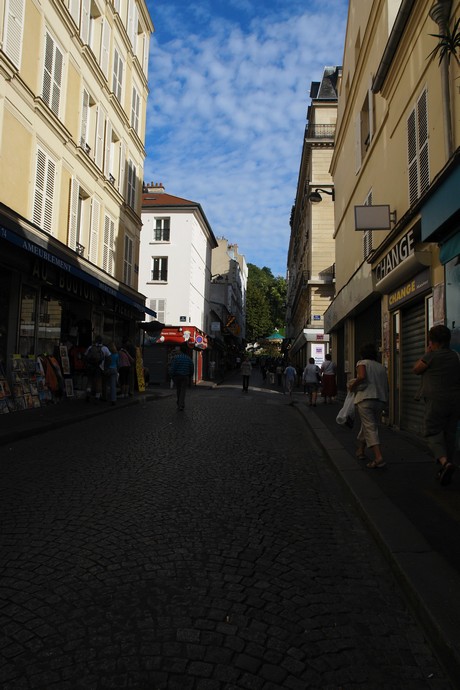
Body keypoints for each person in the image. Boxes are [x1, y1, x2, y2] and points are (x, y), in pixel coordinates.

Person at [413, 325, 460, 486]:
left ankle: (445, 462)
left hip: (436, 401)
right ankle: (446, 467)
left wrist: (428, 352)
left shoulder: (432, 356)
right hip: (455, 401)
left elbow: (416, 369)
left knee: (432, 432)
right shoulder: (456, 356)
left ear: (431, 341)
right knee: (449, 435)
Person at [348, 343, 389, 469]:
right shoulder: (381, 367)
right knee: (369, 425)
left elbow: (361, 376)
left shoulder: (362, 363)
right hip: (380, 400)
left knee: (370, 427)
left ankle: (378, 457)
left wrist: (352, 386)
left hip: (365, 399)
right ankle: (360, 450)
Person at [84, 336, 109, 402]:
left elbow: (85, 356)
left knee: (89, 381)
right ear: (102, 341)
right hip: (99, 367)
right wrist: (106, 368)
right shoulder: (105, 348)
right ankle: (97, 397)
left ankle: (88, 394)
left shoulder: (90, 347)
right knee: (99, 382)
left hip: (90, 367)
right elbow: (109, 357)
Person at [169, 344, 194, 410]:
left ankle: (179, 403)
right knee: (183, 391)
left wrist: (172, 375)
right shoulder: (189, 359)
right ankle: (181, 404)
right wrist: (190, 376)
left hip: (177, 376)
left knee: (178, 390)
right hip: (185, 377)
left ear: (180, 351)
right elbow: (192, 368)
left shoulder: (176, 358)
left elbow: (173, 368)